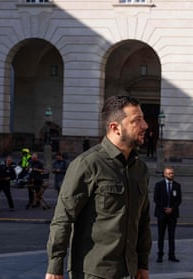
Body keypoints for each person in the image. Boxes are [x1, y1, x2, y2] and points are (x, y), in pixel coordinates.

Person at [45, 96, 151, 279]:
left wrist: (142, 264)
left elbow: (143, 220)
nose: (145, 125)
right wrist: (55, 268)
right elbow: (63, 219)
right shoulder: (87, 164)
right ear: (115, 127)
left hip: (130, 271)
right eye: (136, 120)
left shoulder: (139, 168)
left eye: (142, 118)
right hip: (94, 272)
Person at [153, 166, 182, 263]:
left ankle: (171, 255)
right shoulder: (159, 185)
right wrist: (164, 208)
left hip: (172, 214)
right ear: (165, 174)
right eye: (169, 173)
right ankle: (160, 255)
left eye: (172, 173)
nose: (171, 175)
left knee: (171, 235)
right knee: (161, 235)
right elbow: (156, 199)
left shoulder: (177, 185)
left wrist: (172, 209)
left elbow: (179, 200)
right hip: (162, 214)